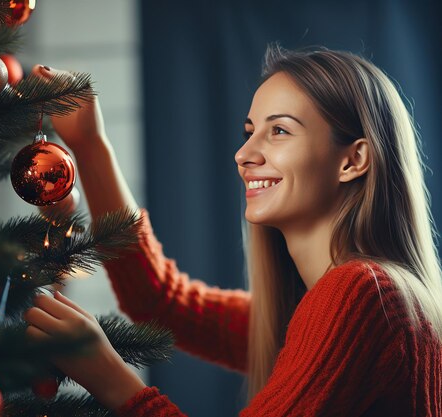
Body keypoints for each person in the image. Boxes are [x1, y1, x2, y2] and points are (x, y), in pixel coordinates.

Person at [22, 45, 442, 416]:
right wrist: (91, 144)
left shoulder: (361, 296)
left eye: (279, 131)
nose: (243, 154)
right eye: (249, 132)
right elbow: (159, 302)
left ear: (353, 161)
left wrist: (110, 377)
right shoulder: (319, 304)